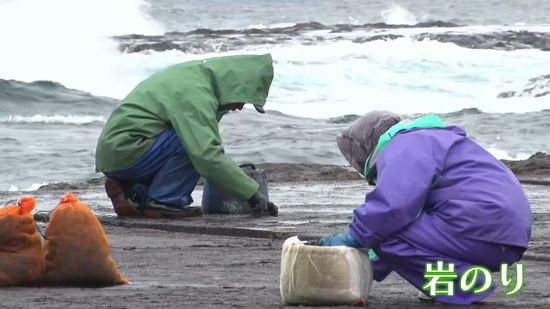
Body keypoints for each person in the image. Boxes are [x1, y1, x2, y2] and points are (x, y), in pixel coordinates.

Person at [319, 111, 532, 305]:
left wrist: (353, 239)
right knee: (393, 228)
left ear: (366, 147)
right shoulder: (433, 138)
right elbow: (409, 225)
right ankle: (449, 281)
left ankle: (462, 284)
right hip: (509, 239)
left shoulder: (404, 144)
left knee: (384, 230)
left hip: (482, 228)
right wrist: (364, 264)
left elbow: (391, 210)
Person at [95, 54, 278, 218]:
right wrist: (252, 195)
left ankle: (133, 193)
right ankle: (164, 201)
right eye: (243, 99)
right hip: (130, 150)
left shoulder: (195, 77)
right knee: (193, 142)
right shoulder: (197, 93)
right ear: (235, 85)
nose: (239, 107)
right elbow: (206, 155)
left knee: (192, 140)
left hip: (119, 153)